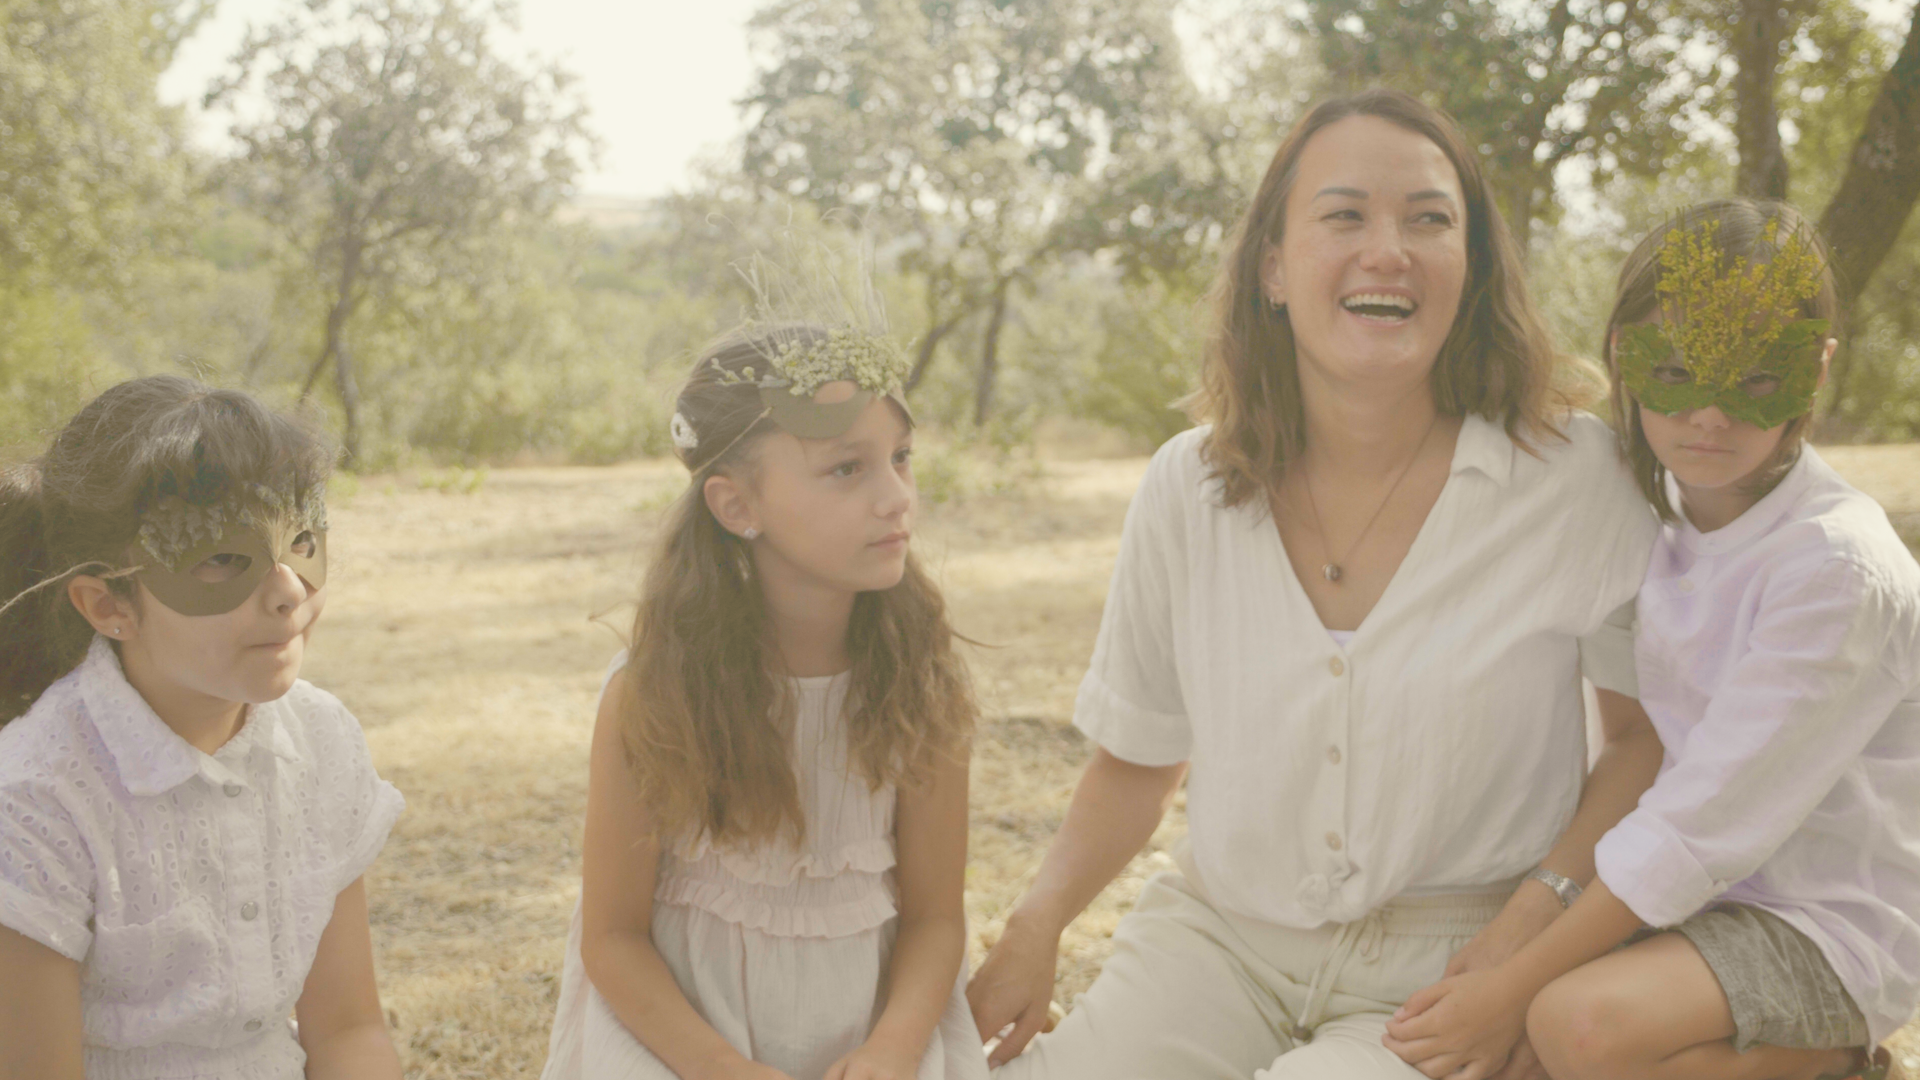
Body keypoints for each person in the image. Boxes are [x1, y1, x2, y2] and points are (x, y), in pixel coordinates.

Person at [965, 88, 1663, 1080]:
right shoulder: (1186, 487)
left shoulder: (1576, 480)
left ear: (1471, 266)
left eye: (1429, 220)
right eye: (1345, 216)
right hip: (1215, 943)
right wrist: (1036, 925)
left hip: (1445, 970)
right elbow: (1138, 757)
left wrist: (1525, 939)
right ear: (1273, 268)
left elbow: (1641, 741)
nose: (1389, 250)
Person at [1382, 200, 1920, 1080]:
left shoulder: (1836, 570)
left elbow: (1706, 825)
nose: (1708, 414)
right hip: (1679, 907)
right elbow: (1636, 748)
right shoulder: (1646, 514)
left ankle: (1839, 1062)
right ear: (1622, 355)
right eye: (1674, 370)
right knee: (1524, 1052)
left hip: (1821, 922)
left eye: (1756, 380)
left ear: (1818, 367)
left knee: (1572, 1025)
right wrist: (1525, 929)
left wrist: (1516, 983)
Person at [540, 307, 989, 1080]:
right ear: (736, 506)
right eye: (847, 469)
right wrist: (725, 1068)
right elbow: (612, 939)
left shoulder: (922, 683)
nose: (896, 497)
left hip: (874, 1031)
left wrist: (892, 1049)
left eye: (901, 458)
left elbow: (935, 920)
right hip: (685, 1041)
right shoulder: (653, 694)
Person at [0, 376, 406, 1080]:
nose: (288, 591)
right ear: (108, 604)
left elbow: (348, 1029)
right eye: (222, 558)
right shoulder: (34, 799)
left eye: (301, 539)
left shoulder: (323, 739)